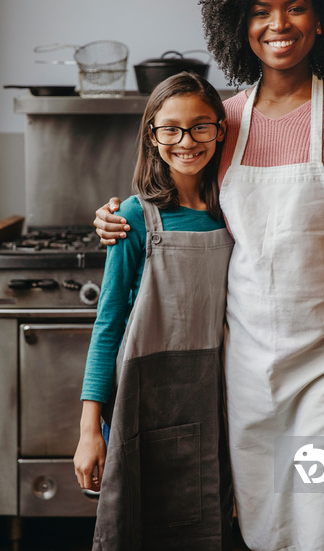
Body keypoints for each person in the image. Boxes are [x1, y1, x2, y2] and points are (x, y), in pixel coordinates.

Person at [93, 0, 324, 551]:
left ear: (322, 19)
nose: (278, 25)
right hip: (246, 366)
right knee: (266, 531)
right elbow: (179, 202)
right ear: (239, 23)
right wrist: (116, 216)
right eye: (260, 11)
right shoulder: (224, 119)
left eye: (296, 7)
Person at [74, 72, 234, 551]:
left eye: (200, 126)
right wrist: (89, 430)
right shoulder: (132, 217)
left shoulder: (236, 210)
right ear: (153, 135)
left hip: (221, 401)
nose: (186, 141)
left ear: (221, 130)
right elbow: (108, 326)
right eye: (171, 129)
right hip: (145, 404)